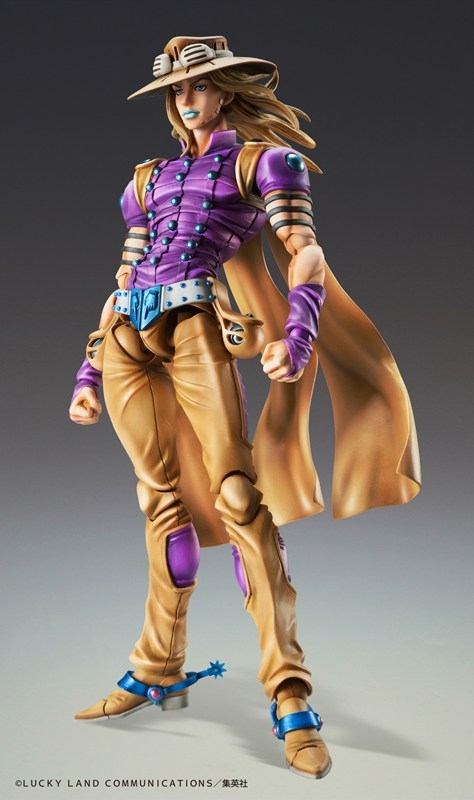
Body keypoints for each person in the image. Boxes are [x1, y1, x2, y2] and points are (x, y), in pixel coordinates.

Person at [69, 35, 421, 780]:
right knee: (160, 502)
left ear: (225, 89)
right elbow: (125, 275)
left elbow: (305, 251)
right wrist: (89, 370)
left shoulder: (262, 163)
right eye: (175, 90)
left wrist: (298, 333)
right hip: (128, 336)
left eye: (197, 85)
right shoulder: (147, 179)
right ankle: (158, 665)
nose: (185, 100)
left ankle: (290, 694)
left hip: (196, 325)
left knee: (238, 498)